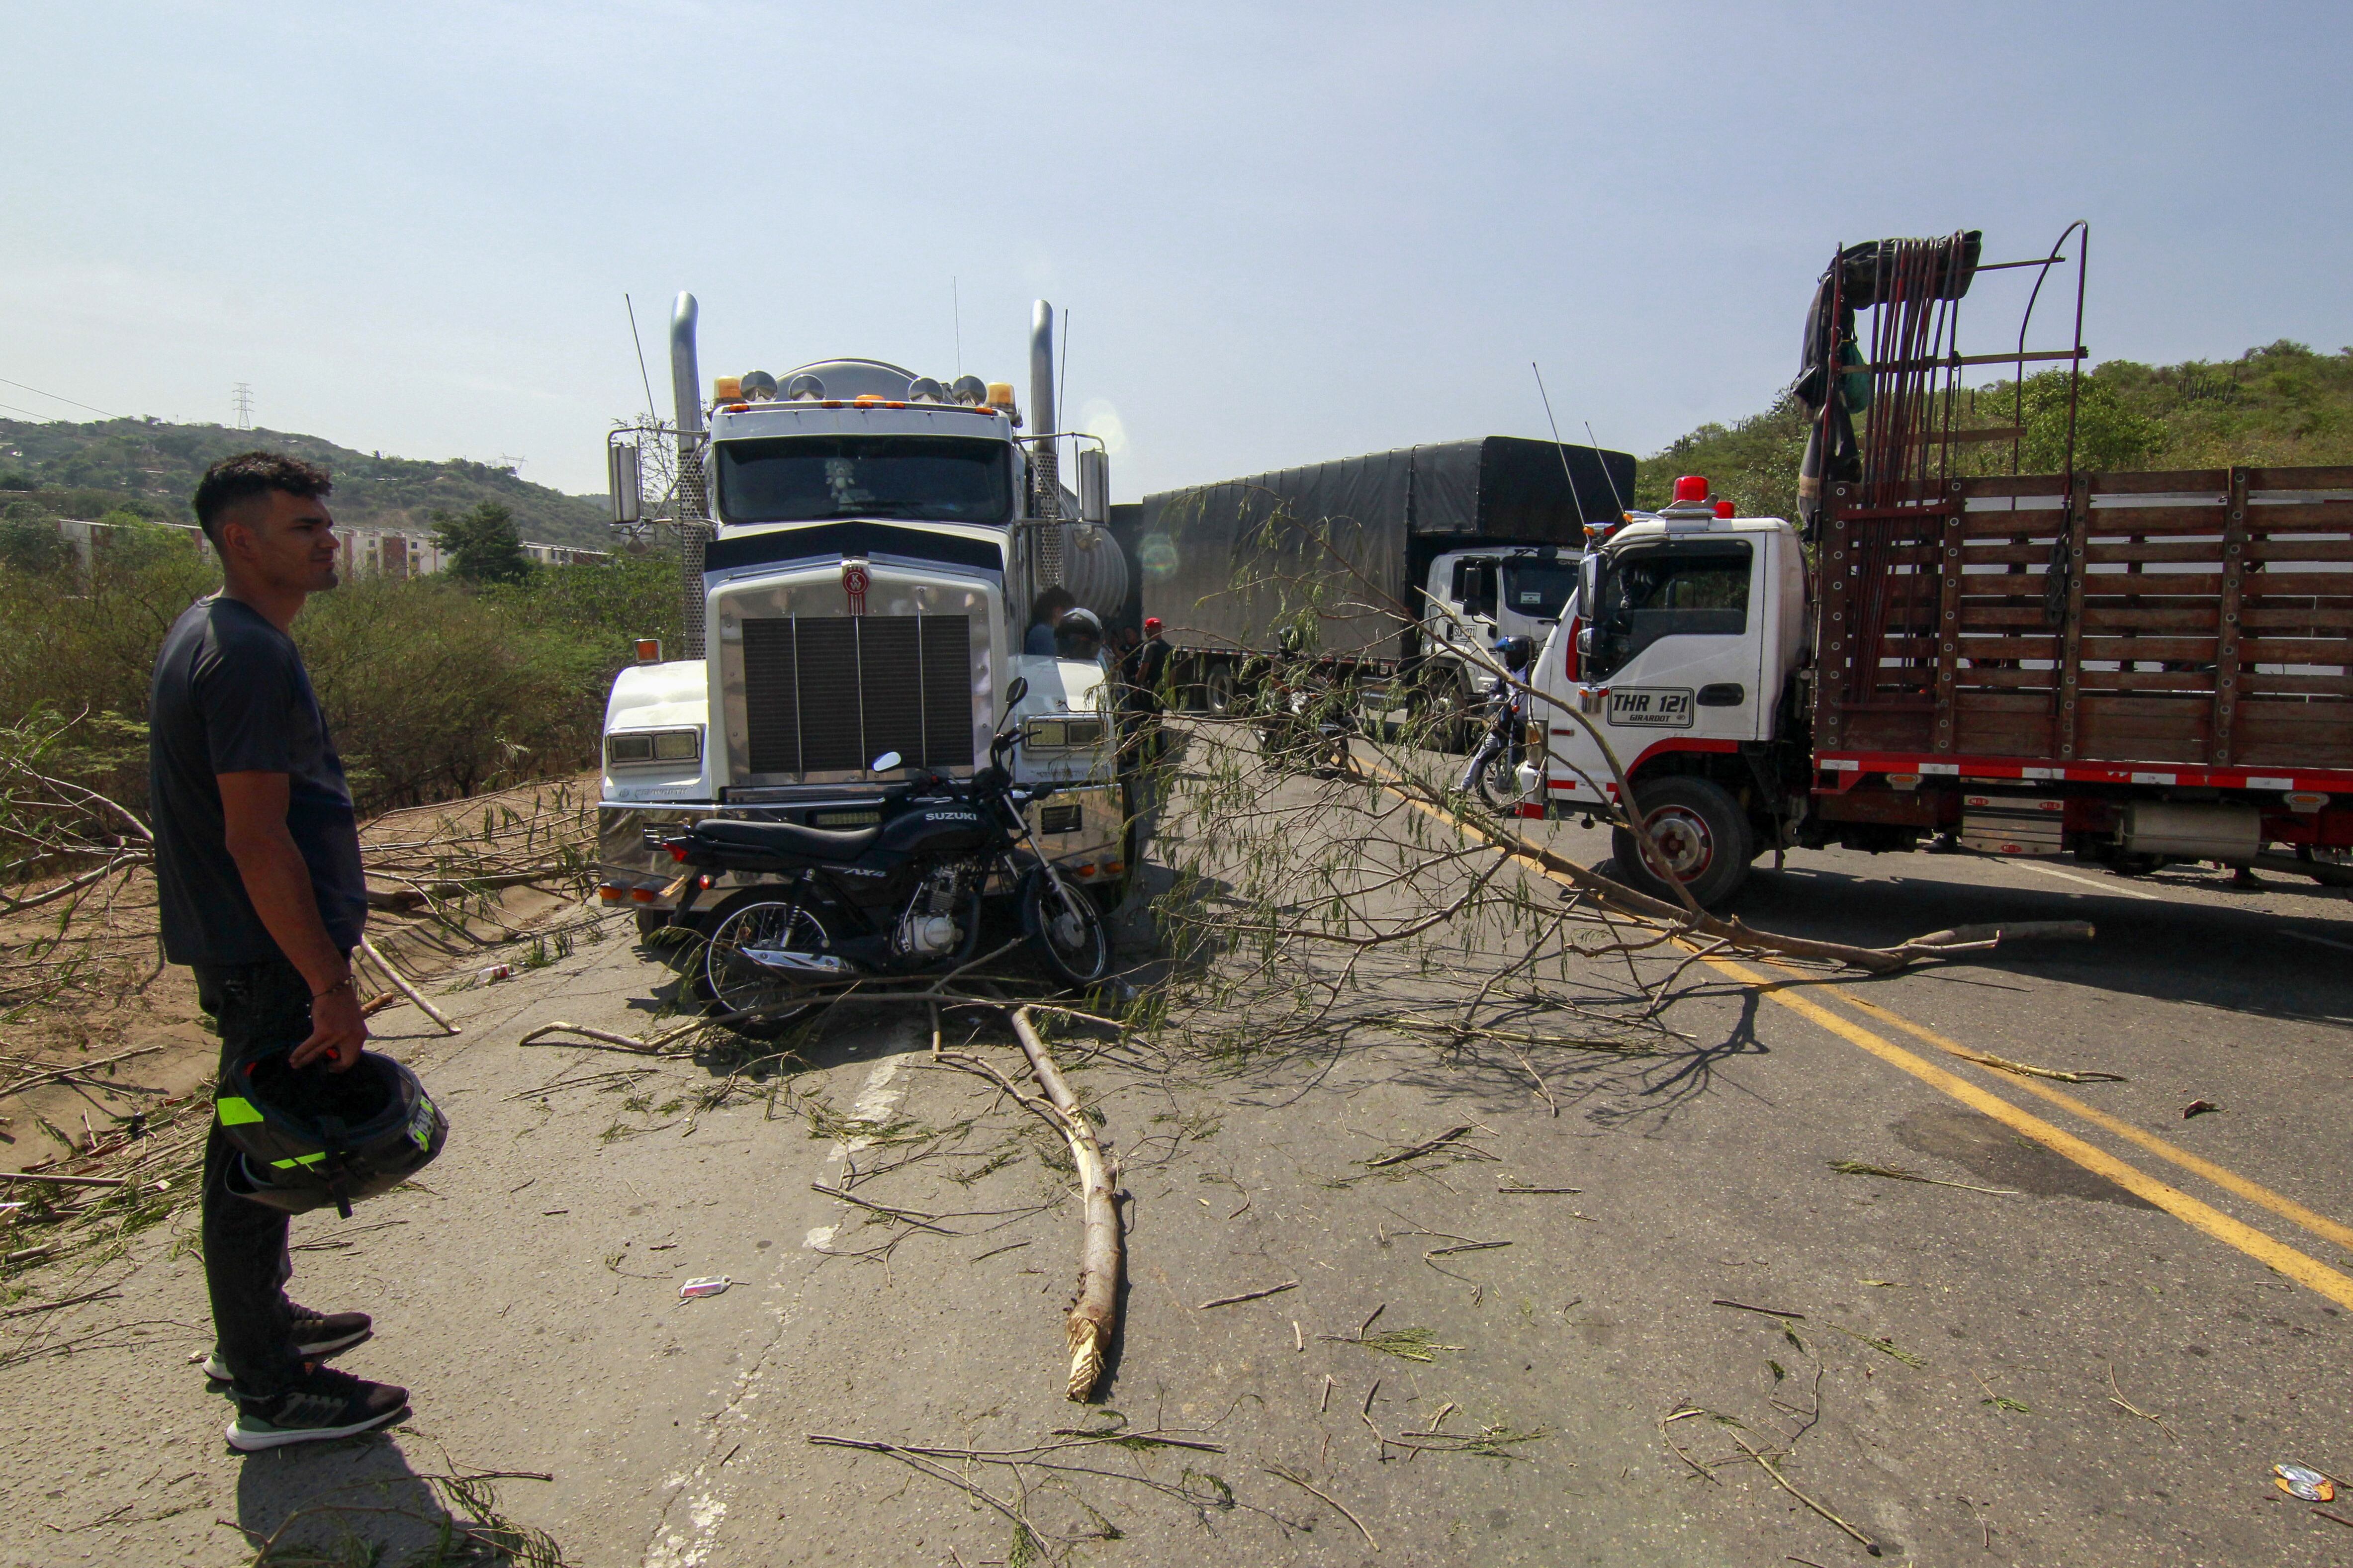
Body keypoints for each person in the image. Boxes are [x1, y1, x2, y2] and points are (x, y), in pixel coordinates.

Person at [150, 452, 409, 1451]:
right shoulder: (247, 652)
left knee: (246, 1147)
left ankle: (254, 1328)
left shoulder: (213, 631)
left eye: (324, 524)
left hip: (245, 944)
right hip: (264, 953)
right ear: (240, 539)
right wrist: (327, 982)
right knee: (257, 1157)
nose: (326, 540)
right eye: (303, 527)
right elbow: (256, 838)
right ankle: (269, 1388)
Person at [1024, 586, 1076, 656]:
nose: (1071, 620)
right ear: (1058, 612)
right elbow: (1054, 663)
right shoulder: (1043, 632)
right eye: (1070, 615)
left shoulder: (1042, 631)